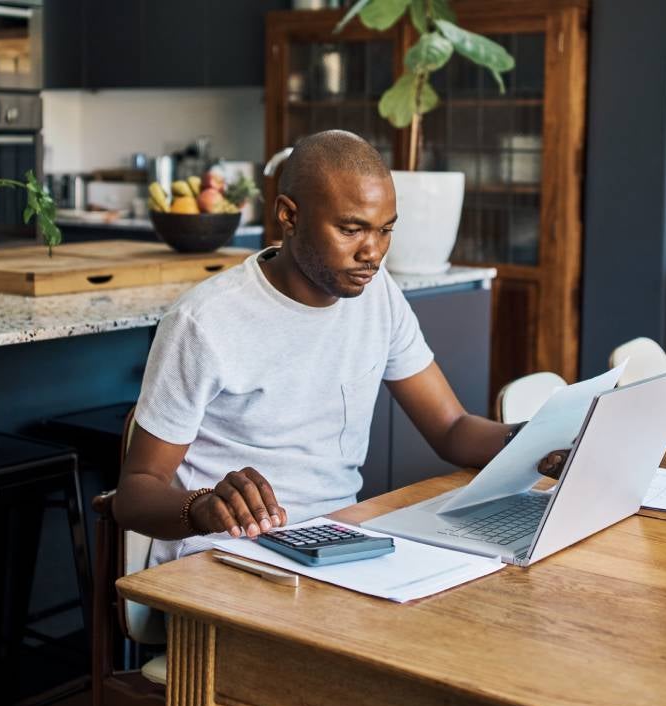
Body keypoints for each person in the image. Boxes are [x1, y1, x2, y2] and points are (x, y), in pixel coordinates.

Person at [113, 130, 567, 565]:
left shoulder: (379, 294)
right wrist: (202, 506)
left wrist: (540, 441)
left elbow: (450, 428)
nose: (372, 252)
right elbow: (135, 494)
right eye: (351, 230)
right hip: (224, 555)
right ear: (289, 216)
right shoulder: (204, 321)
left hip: (338, 543)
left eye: (385, 230)